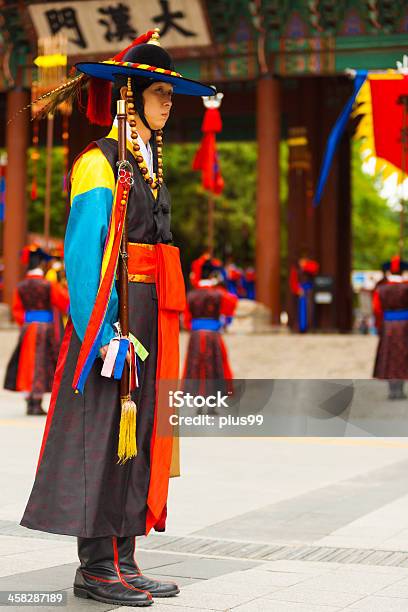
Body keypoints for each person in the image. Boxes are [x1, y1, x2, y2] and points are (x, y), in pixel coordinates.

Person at [20, 29, 215, 607]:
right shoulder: (98, 164)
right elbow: (83, 258)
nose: (168, 102)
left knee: (141, 435)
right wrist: (102, 332)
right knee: (106, 436)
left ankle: (125, 559)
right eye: (159, 92)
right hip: (115, 317)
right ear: (128, 97)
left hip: (152, 316)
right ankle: (95, 566)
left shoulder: (149, 164)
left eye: (170, 94)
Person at [4, 245, 69, 415]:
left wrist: (26, 323)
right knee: (42, 363)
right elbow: (63, 302)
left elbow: (17, 311)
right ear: (41, 265)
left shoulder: (21, 286)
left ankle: (30, 401)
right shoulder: (48, 285)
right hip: (46, 328)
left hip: (28, 328)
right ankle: (37, 401)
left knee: (27, 364)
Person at [183, 260, 237, 401]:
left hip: (196, 335)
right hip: (213, 335)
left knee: (195, 367)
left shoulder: (191, 295)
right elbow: (232, 305)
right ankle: (214, 399)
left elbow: (186, 319)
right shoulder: (218, 294)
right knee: (214, 367)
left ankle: (197, 399)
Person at [373, 255, 408, 400]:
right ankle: (400, 389)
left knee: (389, 356)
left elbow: (377, 309)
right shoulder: (406, 287)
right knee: (403, 356)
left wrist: (379, 326)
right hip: (405, 325)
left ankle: (392, 390)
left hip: (388, 326)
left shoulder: (381, 289)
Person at [289, 253, 320, 333]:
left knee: (309, 309)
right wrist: (297, 290)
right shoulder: (295, 269)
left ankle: (309, 327)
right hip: (299, 291)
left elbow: (314, 269)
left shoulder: (310, 267)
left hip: (309, 290)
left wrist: (305, 266)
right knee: (298, 309)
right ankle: (298, 327)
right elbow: (293, 281)